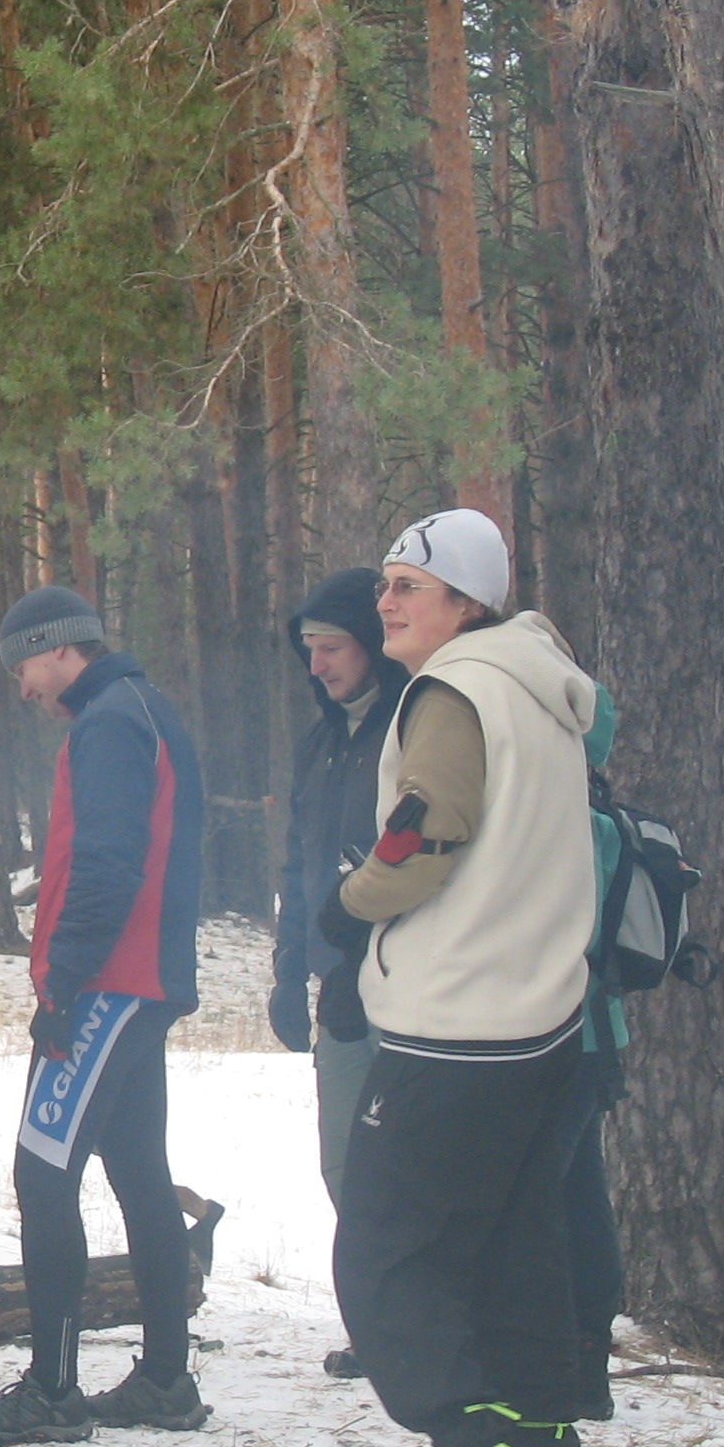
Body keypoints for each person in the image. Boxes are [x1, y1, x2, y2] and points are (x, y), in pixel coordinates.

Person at [320, 508, 609, 1447]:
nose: (387, 602)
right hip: (543, 1022)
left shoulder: (457, 690)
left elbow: (422, 831)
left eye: (410, 586)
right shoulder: (542, 692)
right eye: (386, 583)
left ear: (467, 602)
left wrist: (349, 910)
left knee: (385, 1253)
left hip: (455, 1029)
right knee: (514, 1259)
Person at [0, 588, 209, 1447]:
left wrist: (63, 988)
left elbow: (109, 864)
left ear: (58, 648)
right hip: (139, 979)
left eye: (24, 667)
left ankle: (53, 1389)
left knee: (43, 1175)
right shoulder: (141, 708)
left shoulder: (109, 723)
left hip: (109, 983)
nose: (23, 688)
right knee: (139, 1171)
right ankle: (165, 1380)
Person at [271, 566, 411, 1377]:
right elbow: (299, 862)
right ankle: (381, 1321)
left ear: (371, 644)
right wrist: (289, 971)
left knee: (408, 1160)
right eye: (309, 650)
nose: (317, 665)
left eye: (331, 648)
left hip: (408, 980)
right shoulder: (320, 743)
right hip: (337, 985)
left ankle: (427, 1319)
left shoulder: (410, 728)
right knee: (344, 1161)